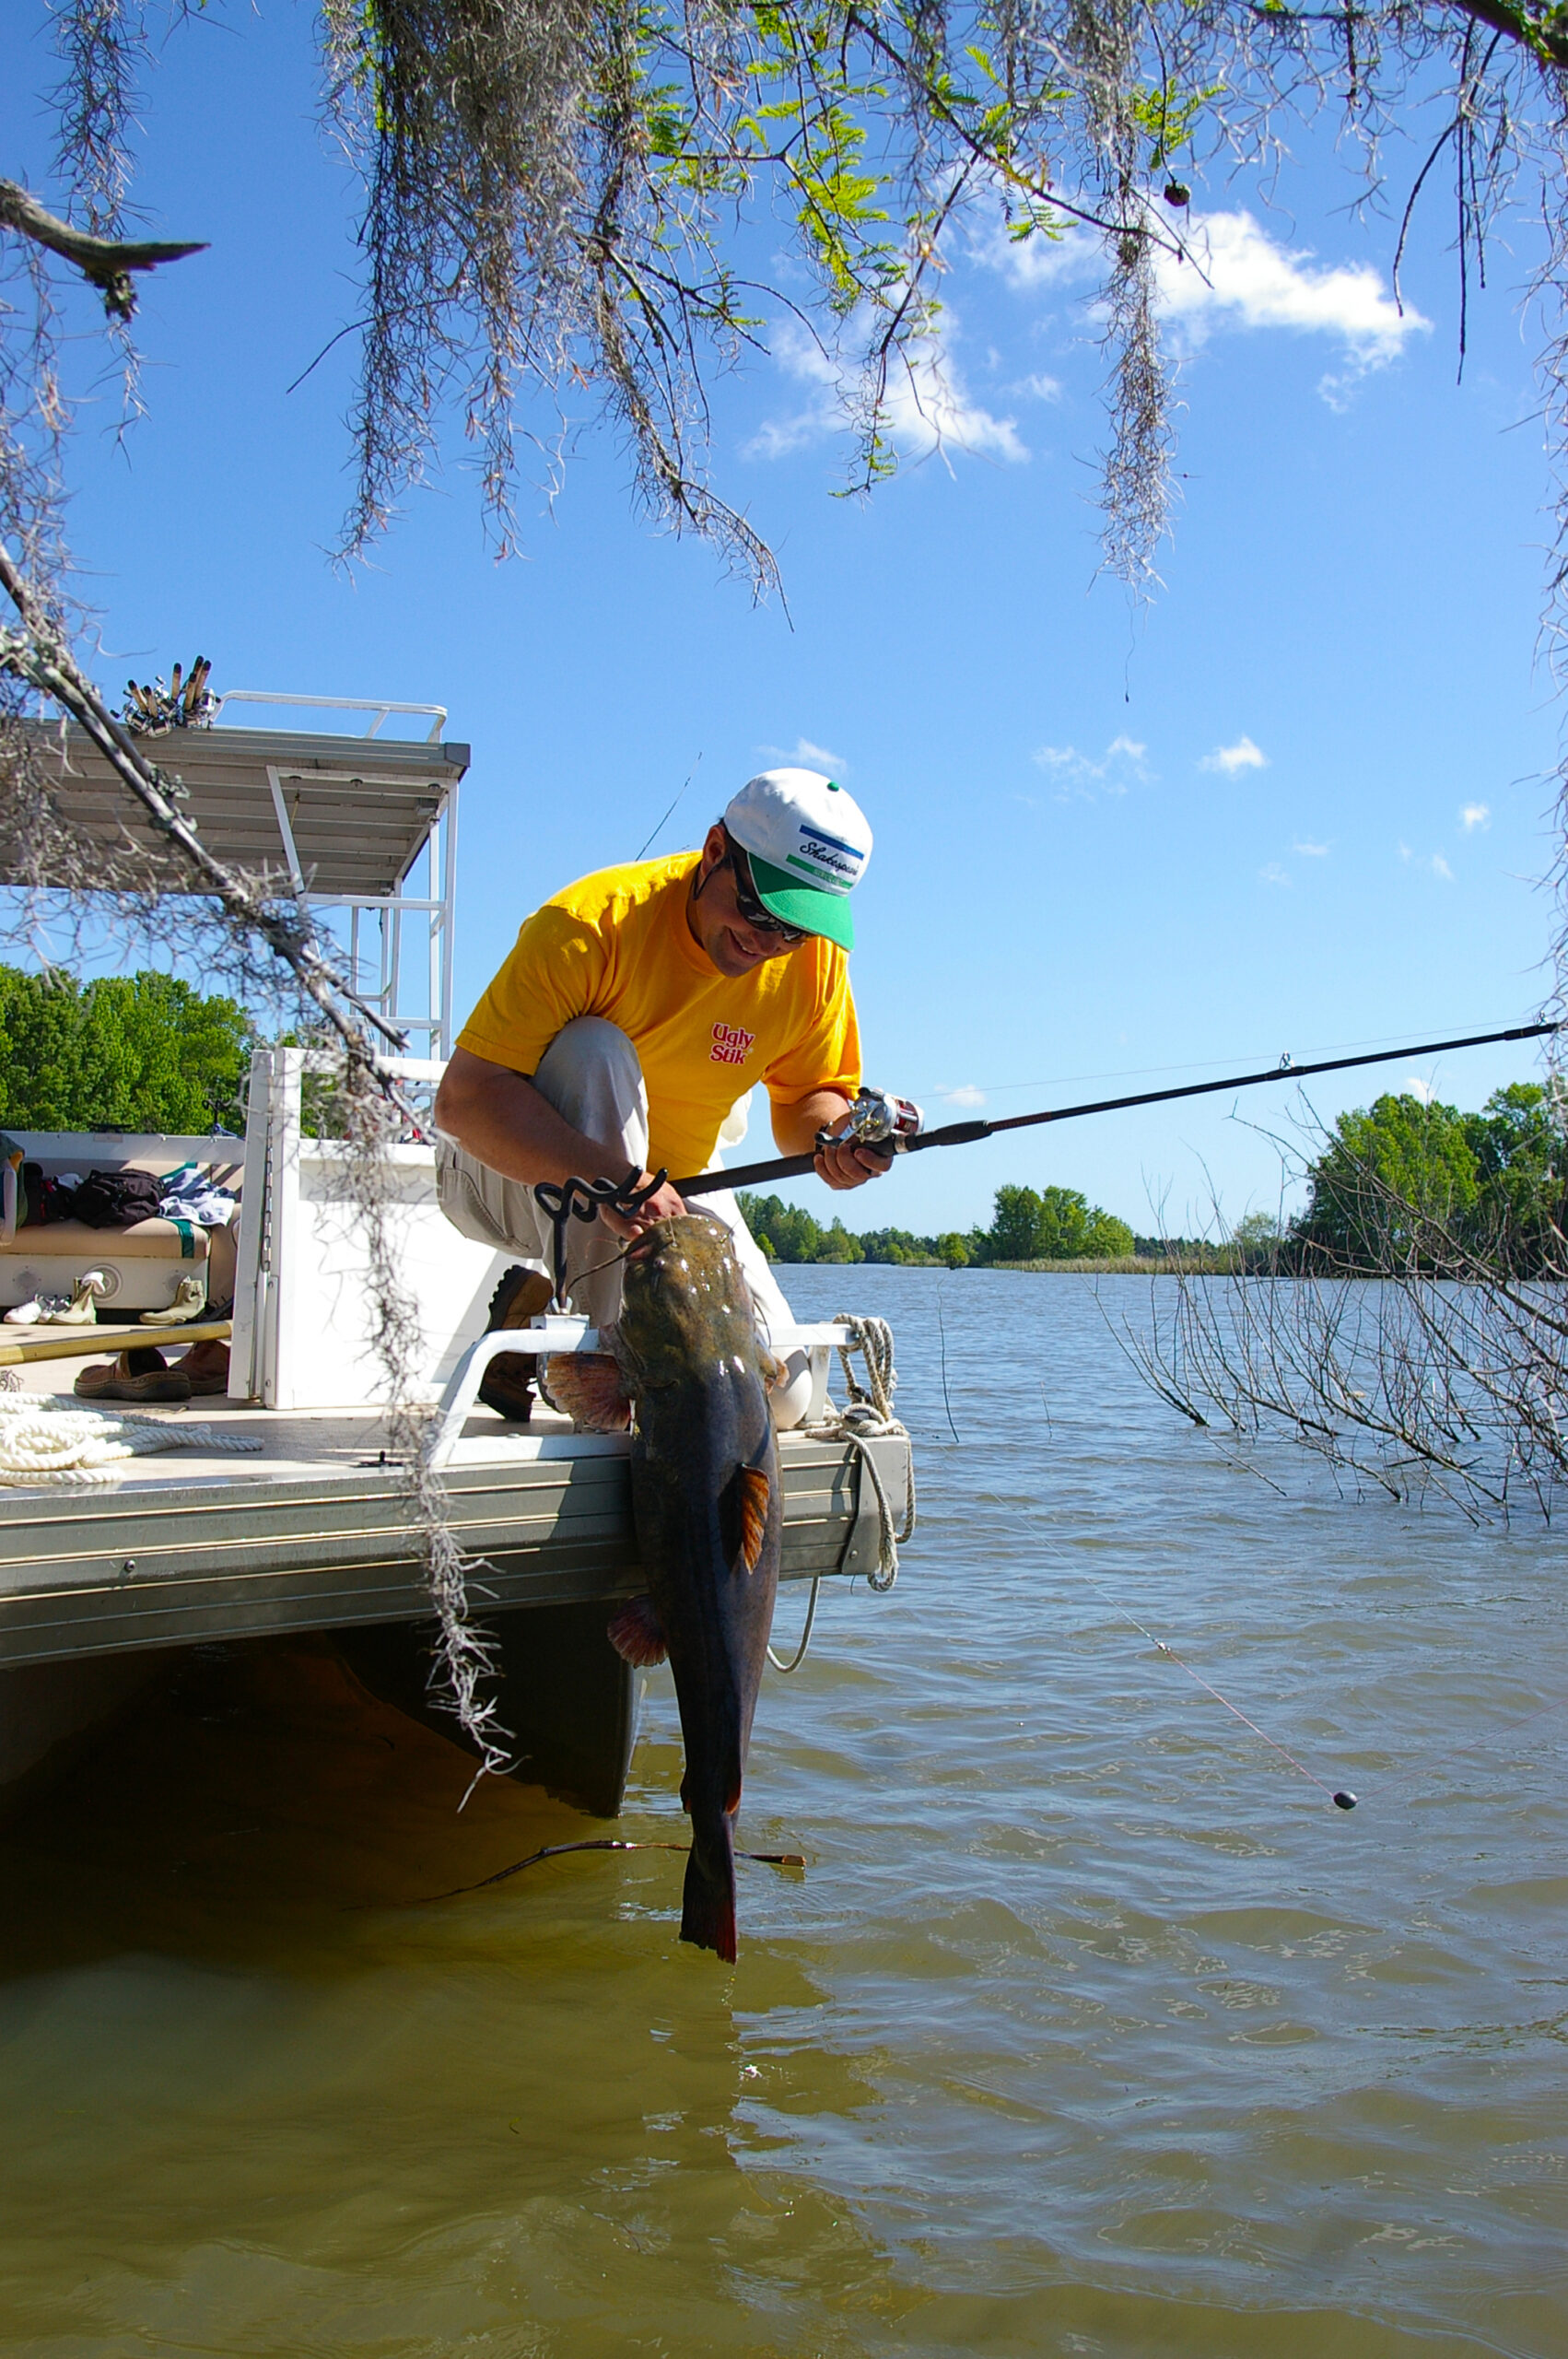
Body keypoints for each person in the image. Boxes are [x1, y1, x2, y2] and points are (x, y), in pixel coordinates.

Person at [433, 768, 891, 1423]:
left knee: (784, 1397)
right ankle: (598, 1358)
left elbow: (807, 1102)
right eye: (761, 910)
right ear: (713, 851)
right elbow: (463, 1102)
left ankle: (543, 1304)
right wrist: (615, 1178)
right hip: (497, 1175)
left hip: (674, 1185)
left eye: (796, 927)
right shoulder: (589, 925)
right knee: (596, 1049)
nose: (769, 943)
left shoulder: (813, 965)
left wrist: (835, 1141)